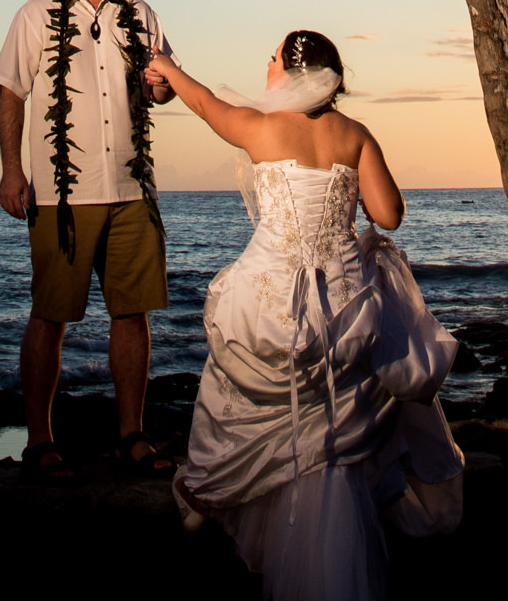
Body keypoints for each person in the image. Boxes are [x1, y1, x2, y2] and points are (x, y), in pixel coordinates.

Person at [149, 30, 463, 601]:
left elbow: (200, 101)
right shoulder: (355, 134)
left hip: (274, 301)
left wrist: (166, 66)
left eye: (271, 58)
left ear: (291, 73)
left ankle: (205, 494)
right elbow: (389, 215)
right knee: (335, 417)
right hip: (346, 304)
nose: (265, 66)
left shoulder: (262, 128)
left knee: (233, 386)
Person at [0, 0, 176, 480]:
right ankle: (41, 442)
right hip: (59, 196)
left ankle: (132, 436)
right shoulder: (35, 14)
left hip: (131, 189)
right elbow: (11, 93)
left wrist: (160, 86)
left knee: (133, 311)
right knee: (50, 314)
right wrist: (10, 171)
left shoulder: (140, 14)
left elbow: (162, 85)